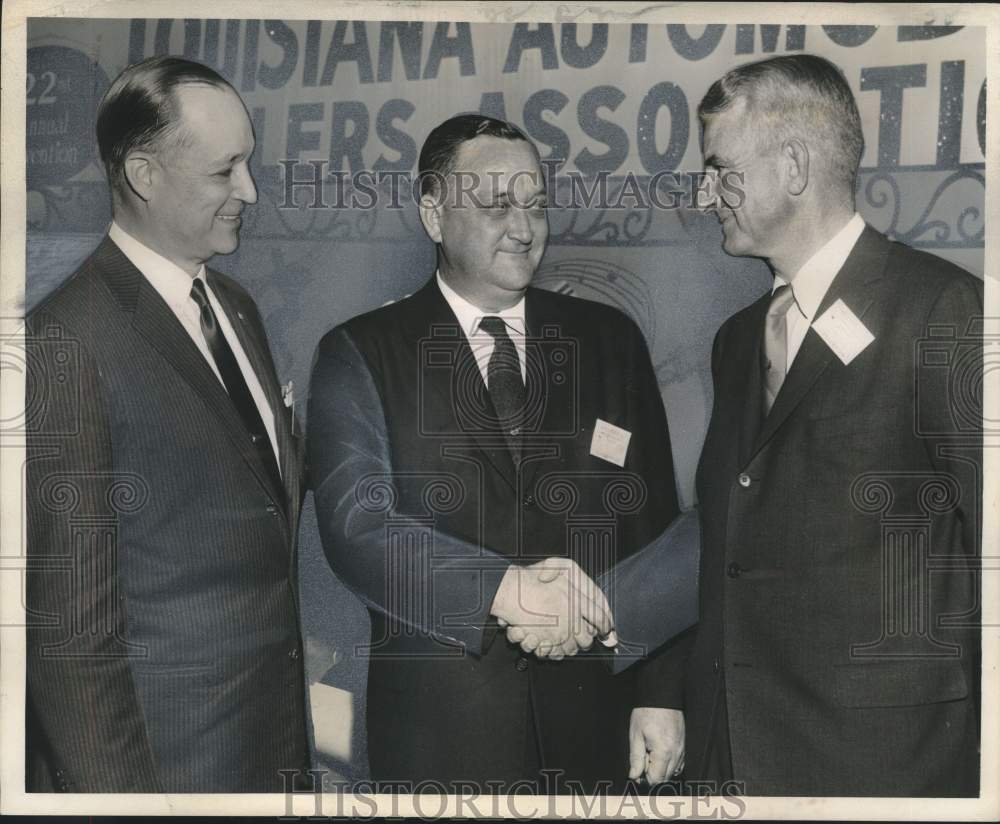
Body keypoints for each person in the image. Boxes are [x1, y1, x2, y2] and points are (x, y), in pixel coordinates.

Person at [307, 114, 697, 791]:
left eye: (537, 204)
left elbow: (657, 528)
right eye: (496, 205)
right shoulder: (360, 352)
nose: (524, 227)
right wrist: (506, 591)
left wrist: (661, 692)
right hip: (442, 739)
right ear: (433, 213)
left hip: (599, 728)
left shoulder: (609, 340)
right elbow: (358, 531)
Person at [658, 53, 981, 796]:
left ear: (795, 166)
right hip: (734, 757)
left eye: (718, 168)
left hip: (886, 765)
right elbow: (726, 535)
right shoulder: (737, 340)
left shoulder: (945, 311)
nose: (704, 192)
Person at [24, 56, 309, 792]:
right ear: (144, 175)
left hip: (271, 751)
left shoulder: (235, 306)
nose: (249, 191)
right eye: (225, 172)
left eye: (248, 164)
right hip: (169, 772)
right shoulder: (66, 342)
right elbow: (70, 635)